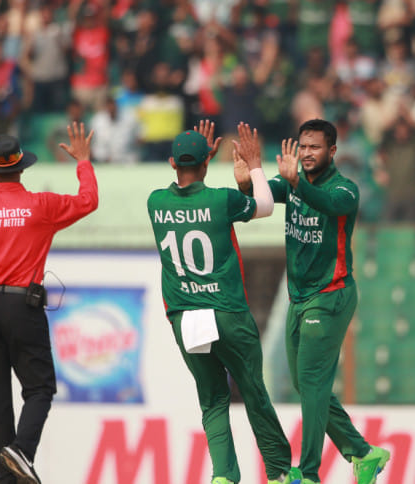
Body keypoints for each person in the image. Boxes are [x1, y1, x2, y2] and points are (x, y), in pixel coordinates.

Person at [0, 123, 98, 483]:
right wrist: (83, 162)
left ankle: (6, 479)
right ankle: (22, 451)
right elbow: (88, 201)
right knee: (40, 389)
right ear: (22, 167)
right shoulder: (41, 205)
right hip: (23, 307)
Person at [237, 119, 391, 484]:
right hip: (300, 297)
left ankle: (309, 474)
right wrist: (247, 178)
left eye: (315, 147)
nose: (306, 154)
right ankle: (363, 453)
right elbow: (258, 198)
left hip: (330, 295)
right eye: (302, 146)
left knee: (311, 381)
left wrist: (296, 184)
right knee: (307, 385)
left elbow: (326, 203)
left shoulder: (345, 189)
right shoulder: (293, 182)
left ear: (332, 151)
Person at [147, 121, 292, 484]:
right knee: (254, 392)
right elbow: (265, 205)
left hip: (185, 316)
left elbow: (187, 193)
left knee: (212, 400)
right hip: (227, 312)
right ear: (207, 162)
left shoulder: (155, 202)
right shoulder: (222, 199)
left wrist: (201, 159)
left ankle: (224, 477)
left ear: (171, 163)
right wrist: (255, 165)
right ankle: (278, 473)